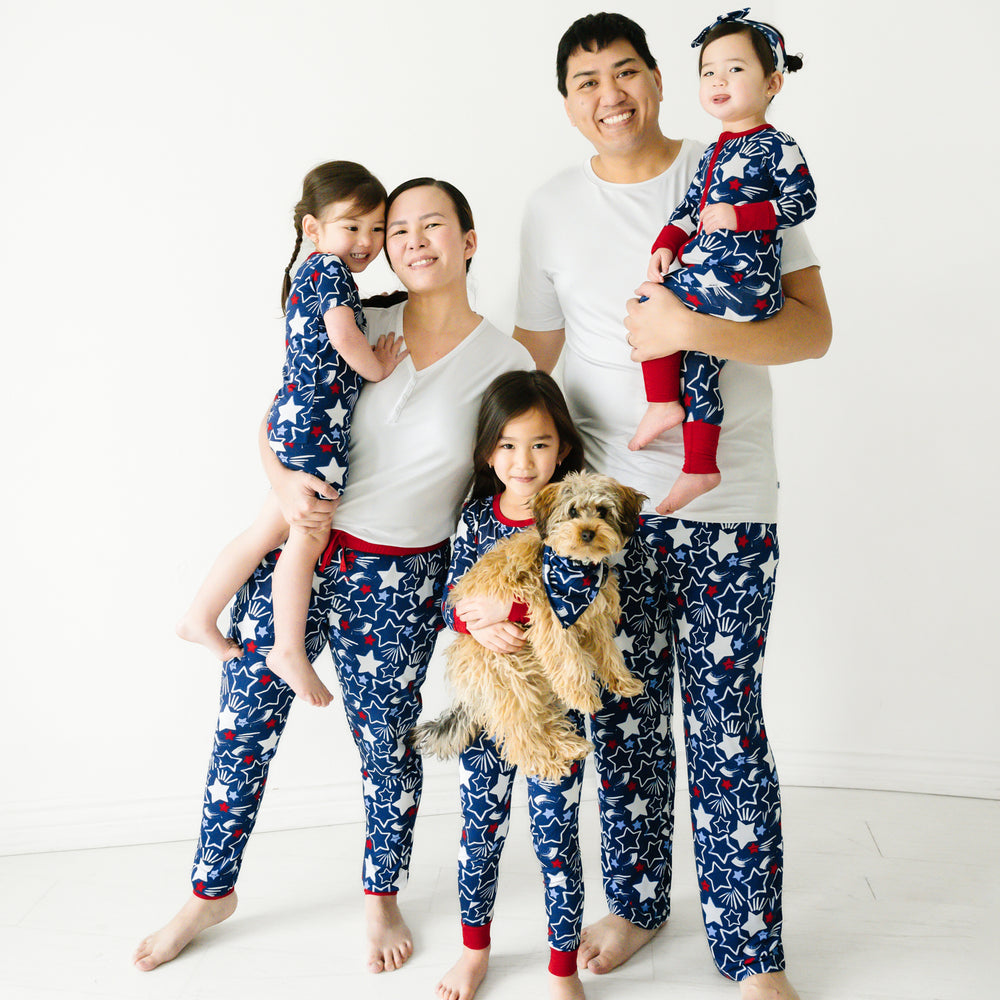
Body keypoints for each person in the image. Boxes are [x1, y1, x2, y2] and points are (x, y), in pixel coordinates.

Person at [133, 177, 533, 977]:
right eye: (397, 229)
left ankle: (380, 891)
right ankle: (211, 889)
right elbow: (278, 412)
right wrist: (281, 486)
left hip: (402, 580)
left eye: (432, 226)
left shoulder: (505, 360)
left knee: (386, 743)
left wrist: (493, 595)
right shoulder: (359, 316)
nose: (412, 240)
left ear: (469, 241)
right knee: (243, 720)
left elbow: (512, 485)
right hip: (306, 557)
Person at [514, 12, 831, 1000]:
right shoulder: (552, 206)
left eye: (624, 72)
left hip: (730, 502)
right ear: (565, 103)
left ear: (659, 80)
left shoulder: (730, 165)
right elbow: (533, 366)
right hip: (609, 525)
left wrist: (690, 323)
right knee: (627, 721)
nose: (607, 95)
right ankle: (639, 902)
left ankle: (753, 956)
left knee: (727, 727)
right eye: (584, 82)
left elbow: (811, 331)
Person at [176, 160, 408, 708]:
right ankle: (287, 648)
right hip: (313, 431)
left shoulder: (313, 271)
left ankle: (198, 616)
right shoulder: (329, 272)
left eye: (376, 229)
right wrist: (377, 366)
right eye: (353, 226)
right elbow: (343, 335)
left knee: (263, 532)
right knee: (306, 538)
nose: (367, 241)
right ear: (313, 227)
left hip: (296, 420)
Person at [433, 370, 593, 1000]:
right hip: (488, 705)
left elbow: (579, 594)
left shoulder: (574, 514)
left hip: (554, 709)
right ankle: (475, 951)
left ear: (564, 448)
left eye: (539, 444)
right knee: (480, 831)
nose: (523, 462)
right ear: (486, 453)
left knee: (556, 837)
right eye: (507, 446)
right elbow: (454, 595)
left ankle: (562, 968)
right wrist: (473, 617)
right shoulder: (476, 517)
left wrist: (513, 612)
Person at [634, 10, 816, 515]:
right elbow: (690, 209)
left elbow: (802, 202)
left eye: (734, 70)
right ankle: (699, 466)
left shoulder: (776, 145)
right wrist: (666, 243)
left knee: (651, 304)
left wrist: (742, 216)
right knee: (698, 366)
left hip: (743, 278)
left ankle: (660, 403)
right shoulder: (714, 150)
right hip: (712, 274)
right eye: (708, 71)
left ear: (772, 81)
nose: (718, 80)